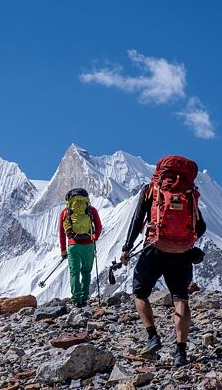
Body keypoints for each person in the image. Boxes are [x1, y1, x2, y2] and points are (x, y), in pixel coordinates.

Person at [120, 156, 206, 367]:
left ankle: (152, 337)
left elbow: (137, 220)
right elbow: (201, 226)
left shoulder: (152, 189)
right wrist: (186, 244)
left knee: (140, 293)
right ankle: (181, 352)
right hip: (183, 252)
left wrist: (127, 248)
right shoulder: (189, 193)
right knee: (181, 299)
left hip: (155, 249)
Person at [59, 188, 103, 308]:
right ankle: (84, 298)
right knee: (86, 272)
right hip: (88, 245)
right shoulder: (91, 210)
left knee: (74, 273)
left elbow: (62, 233)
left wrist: (63, 250)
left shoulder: (65, 212)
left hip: (73, 246)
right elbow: (99, 227)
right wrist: (94, 237)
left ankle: (76, 299)